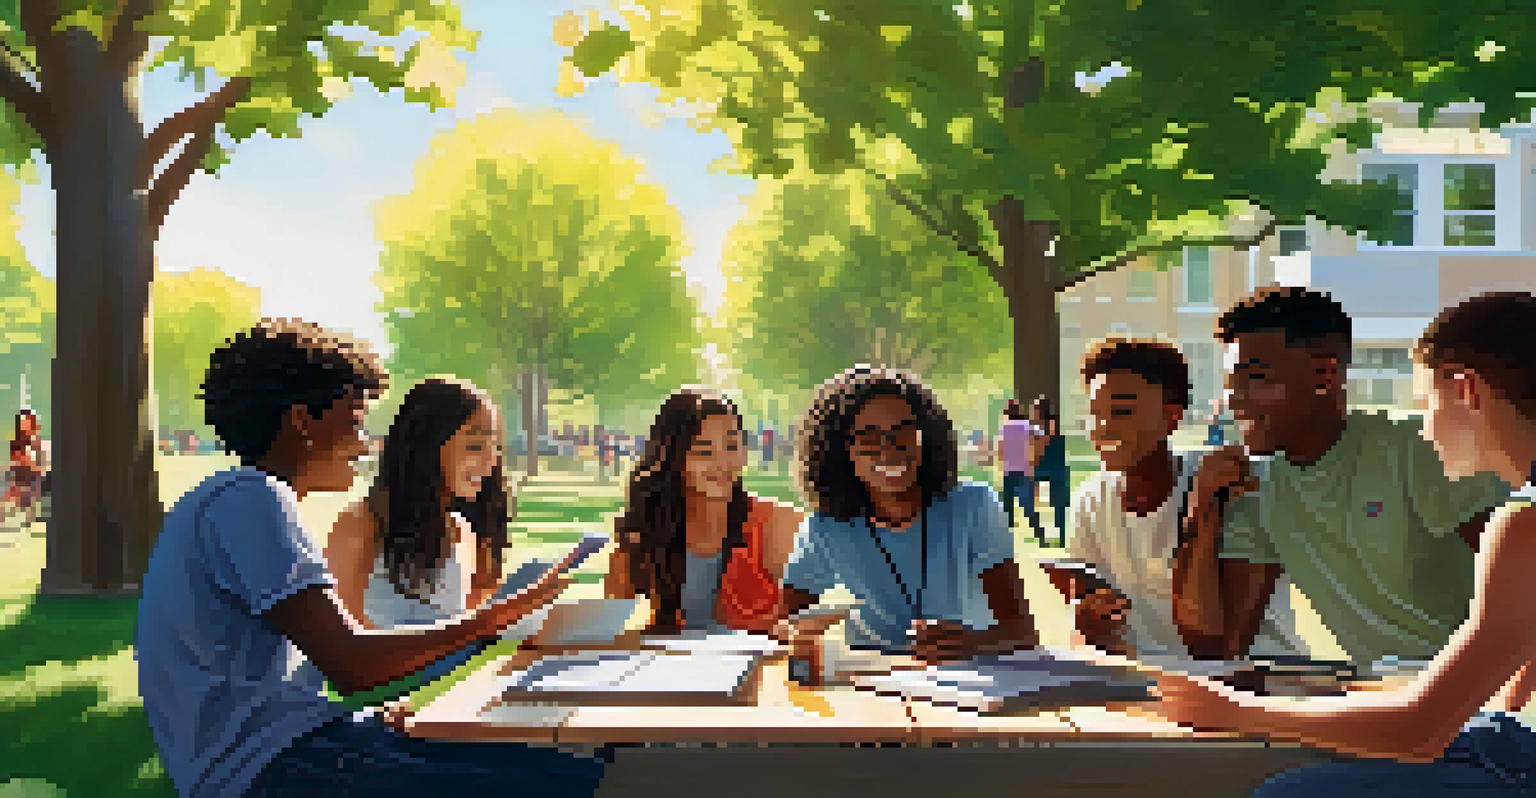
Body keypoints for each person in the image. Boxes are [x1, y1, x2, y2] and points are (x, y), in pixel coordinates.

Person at [135, 319, 604, 798]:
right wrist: (494, 619)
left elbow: (315, 668)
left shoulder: (234, 500)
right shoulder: (251, 498)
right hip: (272, 768)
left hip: (299, 747)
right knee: (569, 781)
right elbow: (351, 662)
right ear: (302, 420)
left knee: (563, 768)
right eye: (355, 422)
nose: (363, 446)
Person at [1154, 291, 1536, 797]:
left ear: (1466, 393)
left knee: (1286, 794)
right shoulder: (1255, 484)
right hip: (1485, 723)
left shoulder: (1518, 522)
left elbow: (1419, 732)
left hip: (1493, 739)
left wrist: (1231, 711)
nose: (1424, 425)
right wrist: (1199, 513)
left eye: (1425, 404)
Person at [1173, 287, 1511, 664]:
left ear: (1325, 373)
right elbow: (1216, 647)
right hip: (1374, 698)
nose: (1235, 400)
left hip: (1476, 696)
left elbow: (1522, 596)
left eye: (1255, 379)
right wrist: (1200, 510)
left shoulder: (1420, 450)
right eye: (1230, 383)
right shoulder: (1255, 483)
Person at [1054, 338, 1303, 660]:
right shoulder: (1089, 501)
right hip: (1157, 686)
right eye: (1093, 413)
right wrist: (1088, 618)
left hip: (1258, 678)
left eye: (1122, 411)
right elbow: (1089, 630)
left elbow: (1216, 643)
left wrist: (1201, 507)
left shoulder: (1230, 483)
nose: (1102, 428)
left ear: (1171, 417)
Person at [778, 366, 1039, 662]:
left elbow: (1022, 631)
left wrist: (974, 642)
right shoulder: (826, 526)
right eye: (869, 439)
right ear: (840, 451)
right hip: (873, 688)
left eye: (903, 432)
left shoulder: (974, 505)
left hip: (969, 683)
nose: (889, 451)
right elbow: (786, 625)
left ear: (926, 438)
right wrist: (803, 636)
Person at [606, 388, 804, 634]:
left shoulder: (779, 524)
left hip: (757, 669)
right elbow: (611, 633)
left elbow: (803, 629)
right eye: (703, 451)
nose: (722, 463)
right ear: (673, 457)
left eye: (732, 446)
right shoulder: (641, 535)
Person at [325, 378, 513, 632]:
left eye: (495, 447)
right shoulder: (362, 525)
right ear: (426, 446)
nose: (491, 461)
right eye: (475, 446)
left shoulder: (464, 533)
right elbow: (338, 639)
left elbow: (467, 634)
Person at [1027, 396, 1071, 547]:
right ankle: (1047, 534)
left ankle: (1058, 534)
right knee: (1051, 503)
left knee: (1056, 503)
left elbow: (1041, 445)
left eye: (1034, 410)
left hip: (1050, 467)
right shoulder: (1050, 425)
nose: (1032, 413)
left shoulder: (1048, 425)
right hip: (1052, 467)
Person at [995, 399, 1040, 537]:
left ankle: (1005, 532)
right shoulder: (1027, 426)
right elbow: (1037, 437)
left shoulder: (1005, 428)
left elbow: (1000, 450)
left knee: (1008, 505)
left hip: (1009, 470)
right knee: (1028, 504)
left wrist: (1001, 465)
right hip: (1025, 470)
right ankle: (1037, 530)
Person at [4, 408, 45, 524]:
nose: (23, 429)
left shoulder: (37, 447)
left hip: (32, 486)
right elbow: (16, 470)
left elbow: (36, 471)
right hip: (21, 486)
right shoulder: (17, 446)